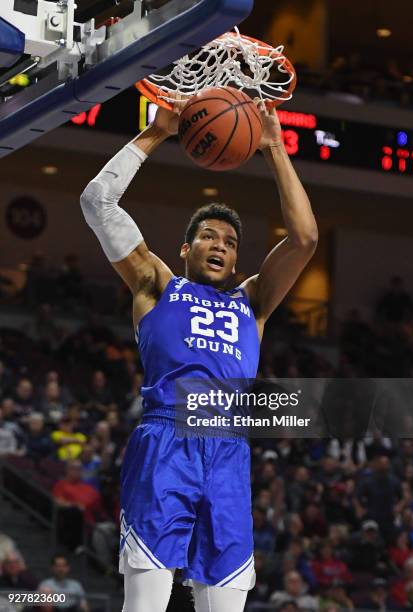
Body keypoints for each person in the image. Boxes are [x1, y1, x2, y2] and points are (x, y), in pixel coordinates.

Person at [80, 99, 317, 612]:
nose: (220, 245)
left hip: (229, 452)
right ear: (185, 249)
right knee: (146, 604)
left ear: (235, 259)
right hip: (166, 440)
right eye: (208, 236)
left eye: (230, 242)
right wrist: (156, 134)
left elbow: (304, 238)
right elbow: (97, 202)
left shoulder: (252, 301)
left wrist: (275, 147)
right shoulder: (157, 283)